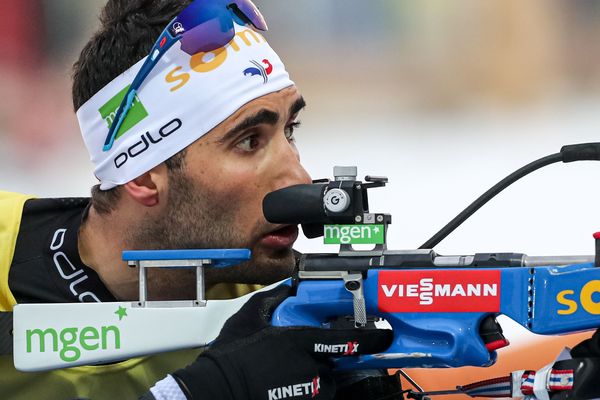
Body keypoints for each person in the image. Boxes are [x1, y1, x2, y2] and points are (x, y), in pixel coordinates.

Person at [0, 0, 393, 399]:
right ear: (142, 176)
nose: (300, 178)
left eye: (290, 130)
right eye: (249, 142)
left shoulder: (270, 304)